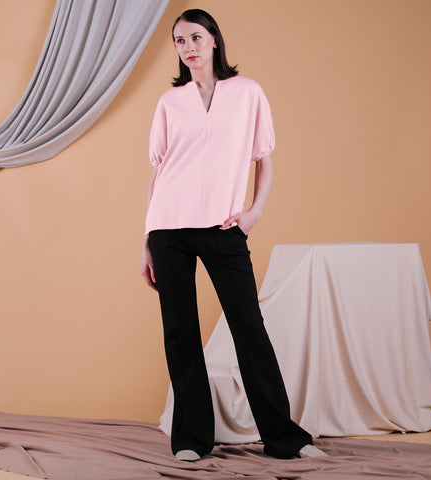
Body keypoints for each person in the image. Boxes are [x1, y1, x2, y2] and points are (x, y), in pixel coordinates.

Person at [141, 8, 327, 462]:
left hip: (224, 229)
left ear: (214, 40)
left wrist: (253, 213)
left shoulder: (247, 93)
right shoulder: (170, 102)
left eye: (196, 37)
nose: (188, 47)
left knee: (248, 326)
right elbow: (159, 172)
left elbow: (264, 159)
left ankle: (285, 437)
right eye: (180, 41)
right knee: (180, 331)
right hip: (168, 227)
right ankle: (191, 439)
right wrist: (146, 238)